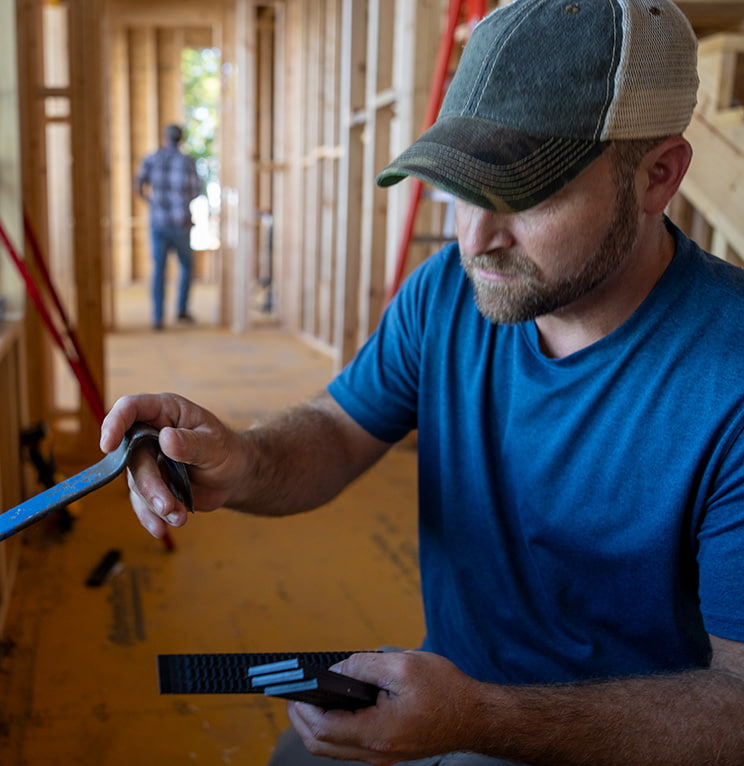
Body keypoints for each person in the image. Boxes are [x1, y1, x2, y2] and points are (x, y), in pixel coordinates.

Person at [102, 0, 744, 763]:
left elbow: (736, 707)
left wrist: (483, 720)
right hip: (456, 698)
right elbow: (340, 429)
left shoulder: (728, 378)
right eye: (461, 184)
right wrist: (242, 459)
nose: (474, 238)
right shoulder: (447, 292)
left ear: (658, 177)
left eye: (525, 193)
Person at [134, 123, 204, 330]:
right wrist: (181, 206)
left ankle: (158, 317)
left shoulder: (152, 159)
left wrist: (153, 204)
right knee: (186, 268)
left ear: (165, 138)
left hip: (158, 224)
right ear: (180, 139)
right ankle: (181, 310)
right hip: (181, 224)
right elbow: (195, 190)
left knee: (159, 271)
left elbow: (137, 186)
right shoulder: (187, 162)